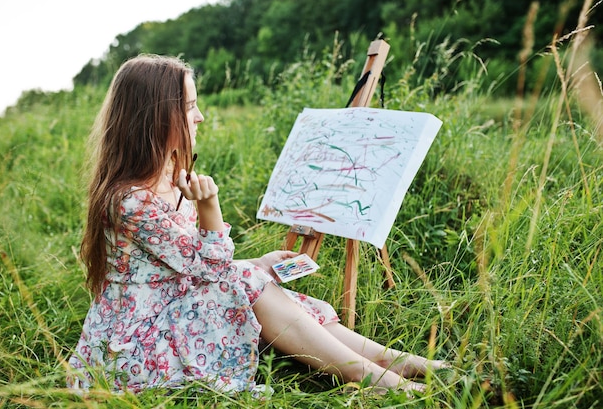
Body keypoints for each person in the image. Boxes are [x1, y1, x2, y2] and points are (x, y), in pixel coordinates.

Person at [67, 54, 447, 396]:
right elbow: (210, 268)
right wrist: (209, 207)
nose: (199, 117)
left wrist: (257, 265)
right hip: (134, 344)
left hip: (169, 307)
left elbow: (190, 267)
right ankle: (376, 378)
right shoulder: (130, 200)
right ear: (154, 116)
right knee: (245, 283)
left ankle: (393, 360)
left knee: (256, 281)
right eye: (189, 107)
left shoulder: (168, 176)